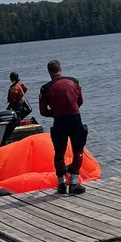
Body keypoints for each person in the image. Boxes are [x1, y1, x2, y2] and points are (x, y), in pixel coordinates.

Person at [38, 59, 87, 195]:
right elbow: (80, 101)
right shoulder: (74, 81)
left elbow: (42, 111)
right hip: (75, 119)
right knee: (78, 150)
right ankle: (74, 183)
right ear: (61, 69)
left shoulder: (45, 88)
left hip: (59, 121)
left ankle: (61, 184)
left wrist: (56, 113)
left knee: (59, 153)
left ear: (49, 72)